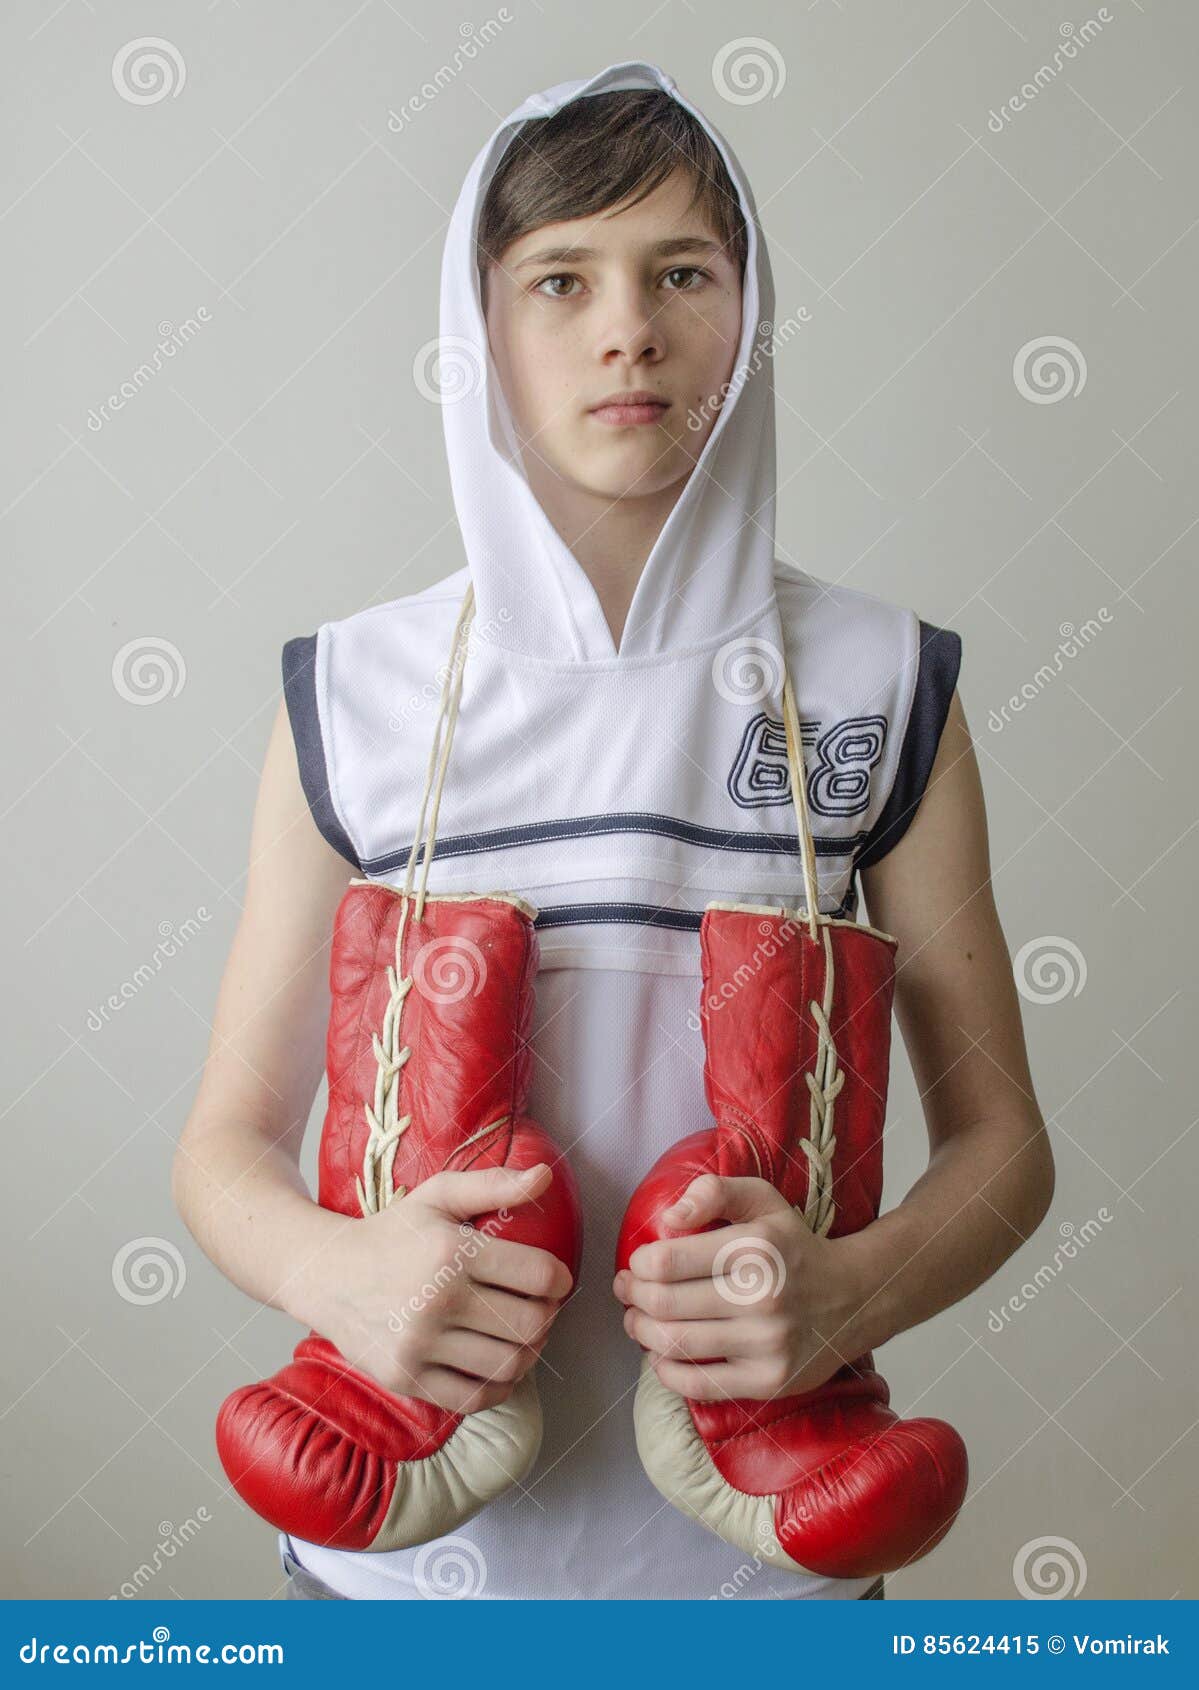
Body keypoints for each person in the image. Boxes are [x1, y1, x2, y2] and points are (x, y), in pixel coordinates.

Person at [173, 61, 1054, 1602]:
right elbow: (223, 1142)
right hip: (400, 1583)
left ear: (750, 311)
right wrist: (335, 1271)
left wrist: (849, 1296)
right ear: (482, 331)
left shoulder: (882, 681)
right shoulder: (358, 691)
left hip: (774, 1583)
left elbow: (1005, 1147)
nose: (627, 328)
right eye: (561, 280)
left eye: (682, 273)